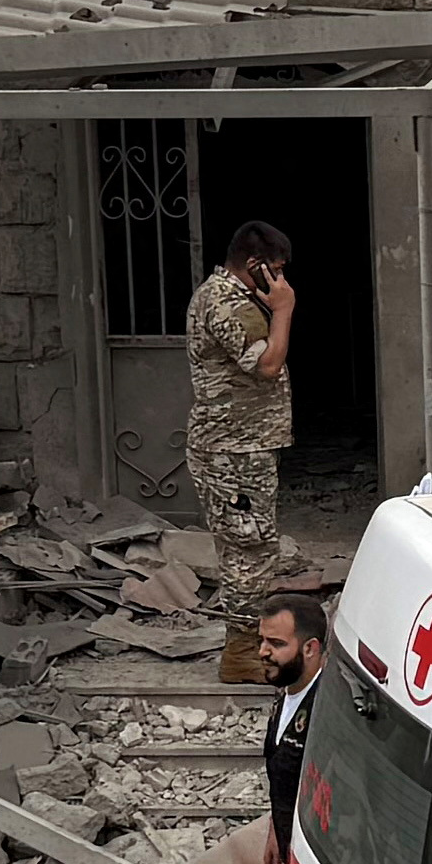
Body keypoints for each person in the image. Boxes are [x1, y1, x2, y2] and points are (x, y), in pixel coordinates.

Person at [184, 219, 299, 611]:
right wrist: (284, 310)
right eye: (277, 270)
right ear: (255, 264)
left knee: (252, 546)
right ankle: (243, 648)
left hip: (242, 445)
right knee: (248, 551)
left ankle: (248, 645)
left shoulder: (233, 297)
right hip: (232, 449)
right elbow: (266, 365)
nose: (281, 280)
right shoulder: (226, 302)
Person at [252, 595, 331, 864]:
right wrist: (276, 830)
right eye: (262, 640)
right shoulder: (287, 689)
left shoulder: (328, 713)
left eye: (276, 644)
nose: (263, 651)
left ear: (310, 648)